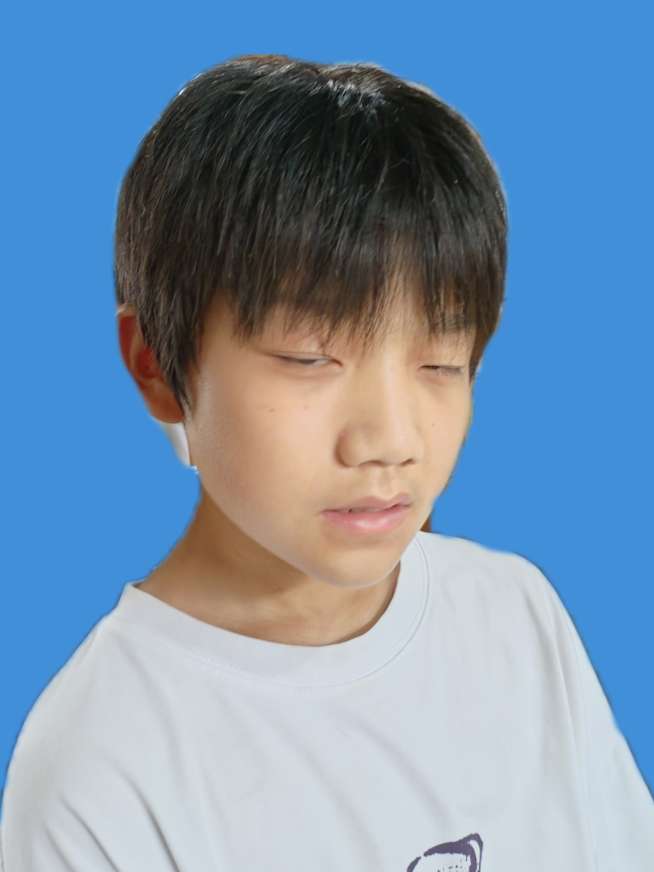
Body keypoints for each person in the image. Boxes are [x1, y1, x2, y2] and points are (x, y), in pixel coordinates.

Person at [1, 53, 652, 871]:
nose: (388, 439)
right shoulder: (98, 769)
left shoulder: (515, 616)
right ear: (157, 366)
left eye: (441, 361)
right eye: (310, 357)